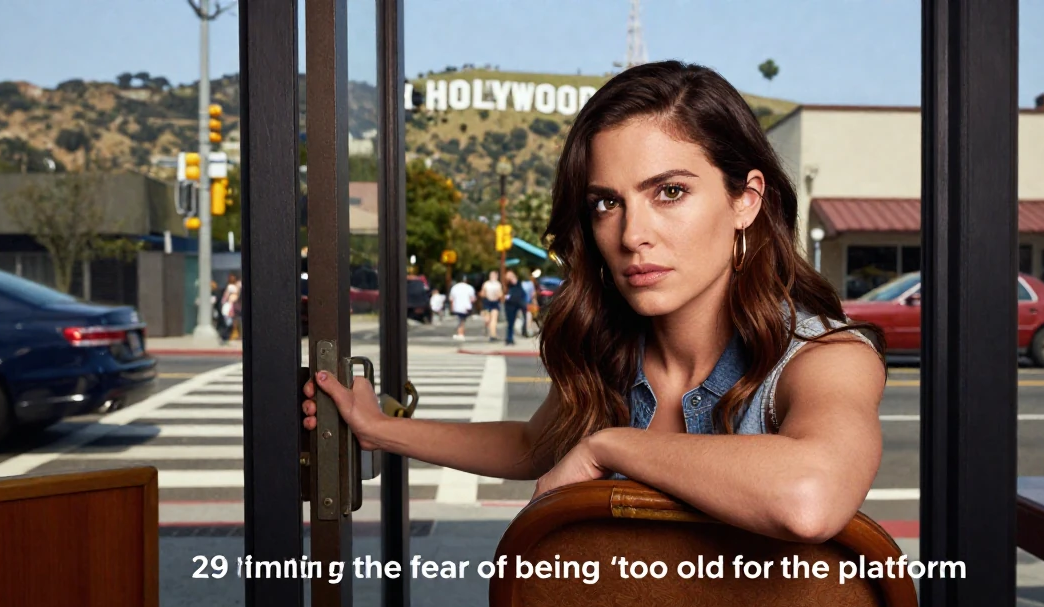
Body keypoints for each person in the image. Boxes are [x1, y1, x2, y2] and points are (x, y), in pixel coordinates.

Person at [303, 61, 886, 543]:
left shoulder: (822, 356)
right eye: (607, 203)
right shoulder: (612, 351)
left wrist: (612, 446)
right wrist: (379, 430)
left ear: (746, 201)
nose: (633, 234)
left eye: (671, 192)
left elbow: (810, 498)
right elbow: (532, 446)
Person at [503, 270, 528, 345]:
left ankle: (523, 332)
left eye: (512, 275)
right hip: (510, 305)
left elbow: (522, 292)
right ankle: (509, 338)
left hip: (518, 304)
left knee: (522, 319)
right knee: (510, 322)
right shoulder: (506, 284)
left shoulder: (518, 283)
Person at [447, 276, 476, 341]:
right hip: (466, 306)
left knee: (460, 320)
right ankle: (460, 333)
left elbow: (451, 299)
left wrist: (451, 307)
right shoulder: (469, 287)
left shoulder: (454, 287)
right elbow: (472, 299)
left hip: (457, 306)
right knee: (462, 320)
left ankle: (460, 333)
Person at [479, 271, 503, 341]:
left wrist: (498, 296)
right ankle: (490, 332)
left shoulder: (498, 284)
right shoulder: (486, 284)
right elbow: (482, 294)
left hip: (494, 303)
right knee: (488, 319)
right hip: (487, 303)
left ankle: (493, 335)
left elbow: (500, 294)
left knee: (493, 319)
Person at [519, 272, 537, 337]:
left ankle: (525, 330)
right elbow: (533, 294)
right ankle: (527, 330)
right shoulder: (531, 284)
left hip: (522, 302)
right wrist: (535, 301)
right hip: (528, 302)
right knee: (528, 316)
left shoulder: (521, 283)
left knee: (524, 317)